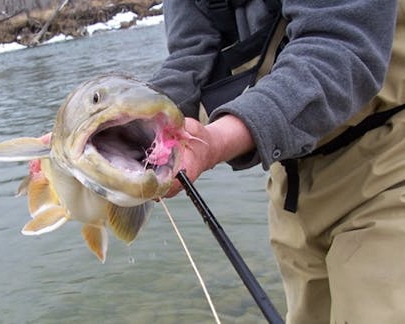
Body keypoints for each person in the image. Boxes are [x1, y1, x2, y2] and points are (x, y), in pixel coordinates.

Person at [149, 0, 405, 323]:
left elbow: (343, 46)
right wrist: (138, 125)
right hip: (291, 184)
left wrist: (215, 141)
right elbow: (190, 55)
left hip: (389, 159)